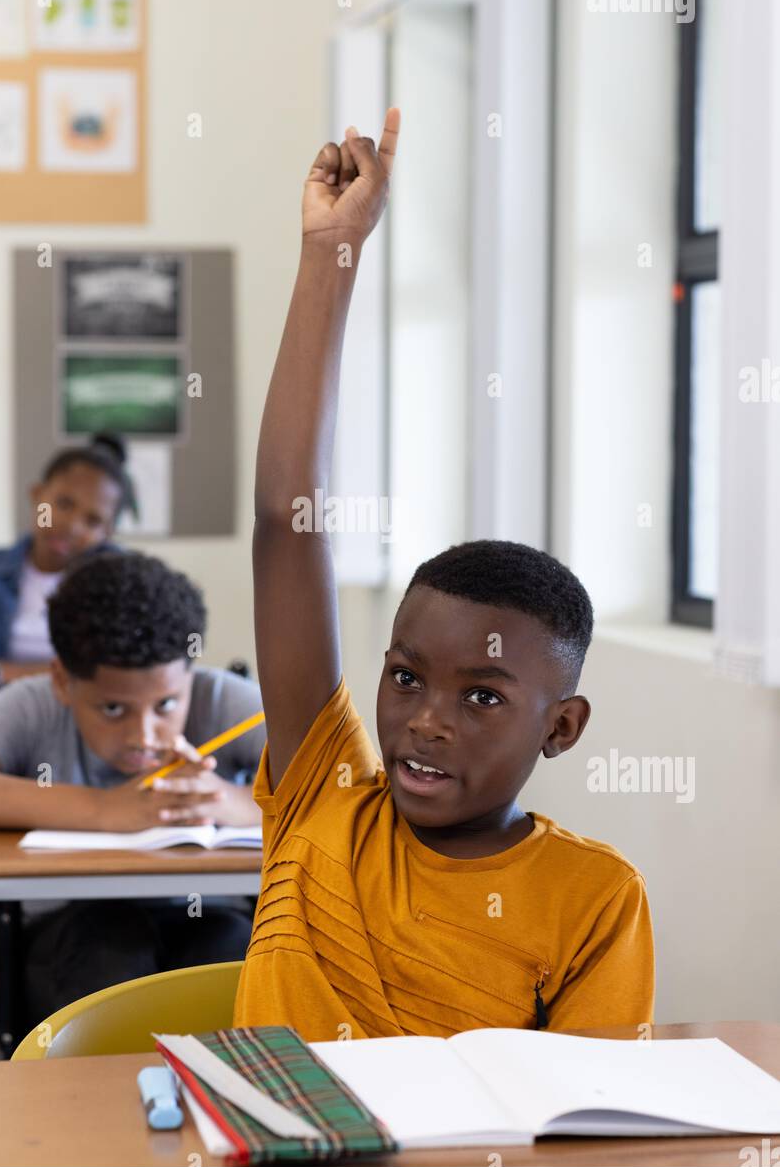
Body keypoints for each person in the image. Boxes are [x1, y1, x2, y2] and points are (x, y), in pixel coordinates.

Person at [231, 109, 655, 1041]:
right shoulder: (322, 798)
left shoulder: (594, 898)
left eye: (485, 698)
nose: (425, 719)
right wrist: (332, 252)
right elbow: (282, 520)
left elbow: (585, 1121)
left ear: (562, 727)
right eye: (406, 677)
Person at [0, 551, 264, 1024]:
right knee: (110, 951)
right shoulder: (31, 705)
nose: (144, 735)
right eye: (114, 710)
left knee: (231, 959)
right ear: (62, 680)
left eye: (165, 704)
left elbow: (339, 790)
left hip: (205, 915)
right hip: (68, 929)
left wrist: (228, 800)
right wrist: (102, 809)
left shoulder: (221, 697)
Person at [0, 433, 135, 700]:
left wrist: (0, 671)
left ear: (108, 533)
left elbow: (112, 669)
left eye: (93, 521)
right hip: (7, 713)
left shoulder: (119, 579)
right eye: (63, 504)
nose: (72, 526)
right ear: (37, 496)